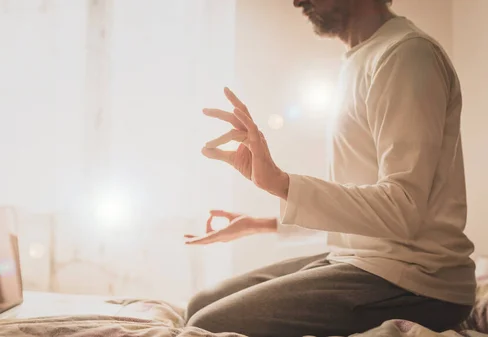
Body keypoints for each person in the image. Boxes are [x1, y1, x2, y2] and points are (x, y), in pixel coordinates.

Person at [183, 0, 476, 336]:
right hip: (362, 259)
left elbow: (401, 211)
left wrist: (282, 184)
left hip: (420, 281)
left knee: (208, 326)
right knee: (198, 305)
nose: (297, 1)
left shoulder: (405, 56)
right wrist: (262, 224)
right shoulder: (360, 58)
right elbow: (363, 205)